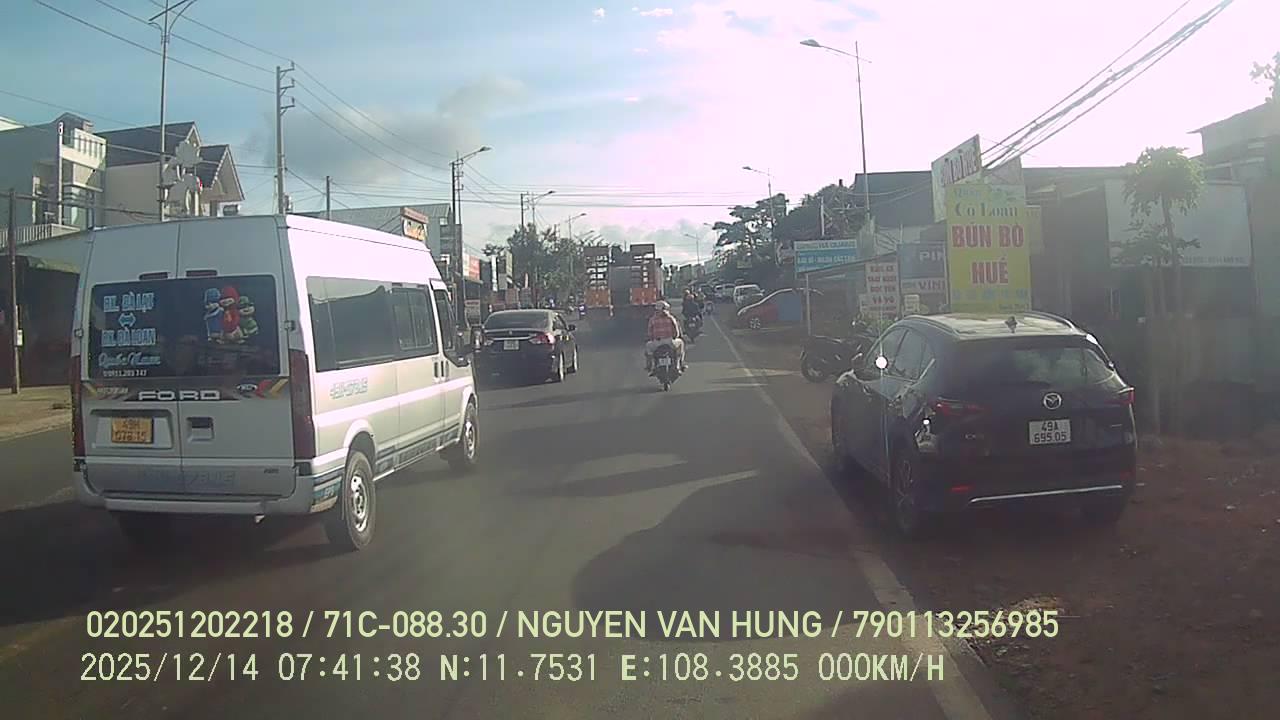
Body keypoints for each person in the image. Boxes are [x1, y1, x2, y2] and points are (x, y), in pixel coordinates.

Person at [645, 300, 686, 374]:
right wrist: (675, 337)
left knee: (648, 348)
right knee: (681, 343)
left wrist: (652, 338)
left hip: (657, 342)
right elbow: (676, 330)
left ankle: (650, 366)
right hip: (670, 341)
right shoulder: (671, 318)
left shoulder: (652, 319)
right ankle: (680, 364)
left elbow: (650, 332)